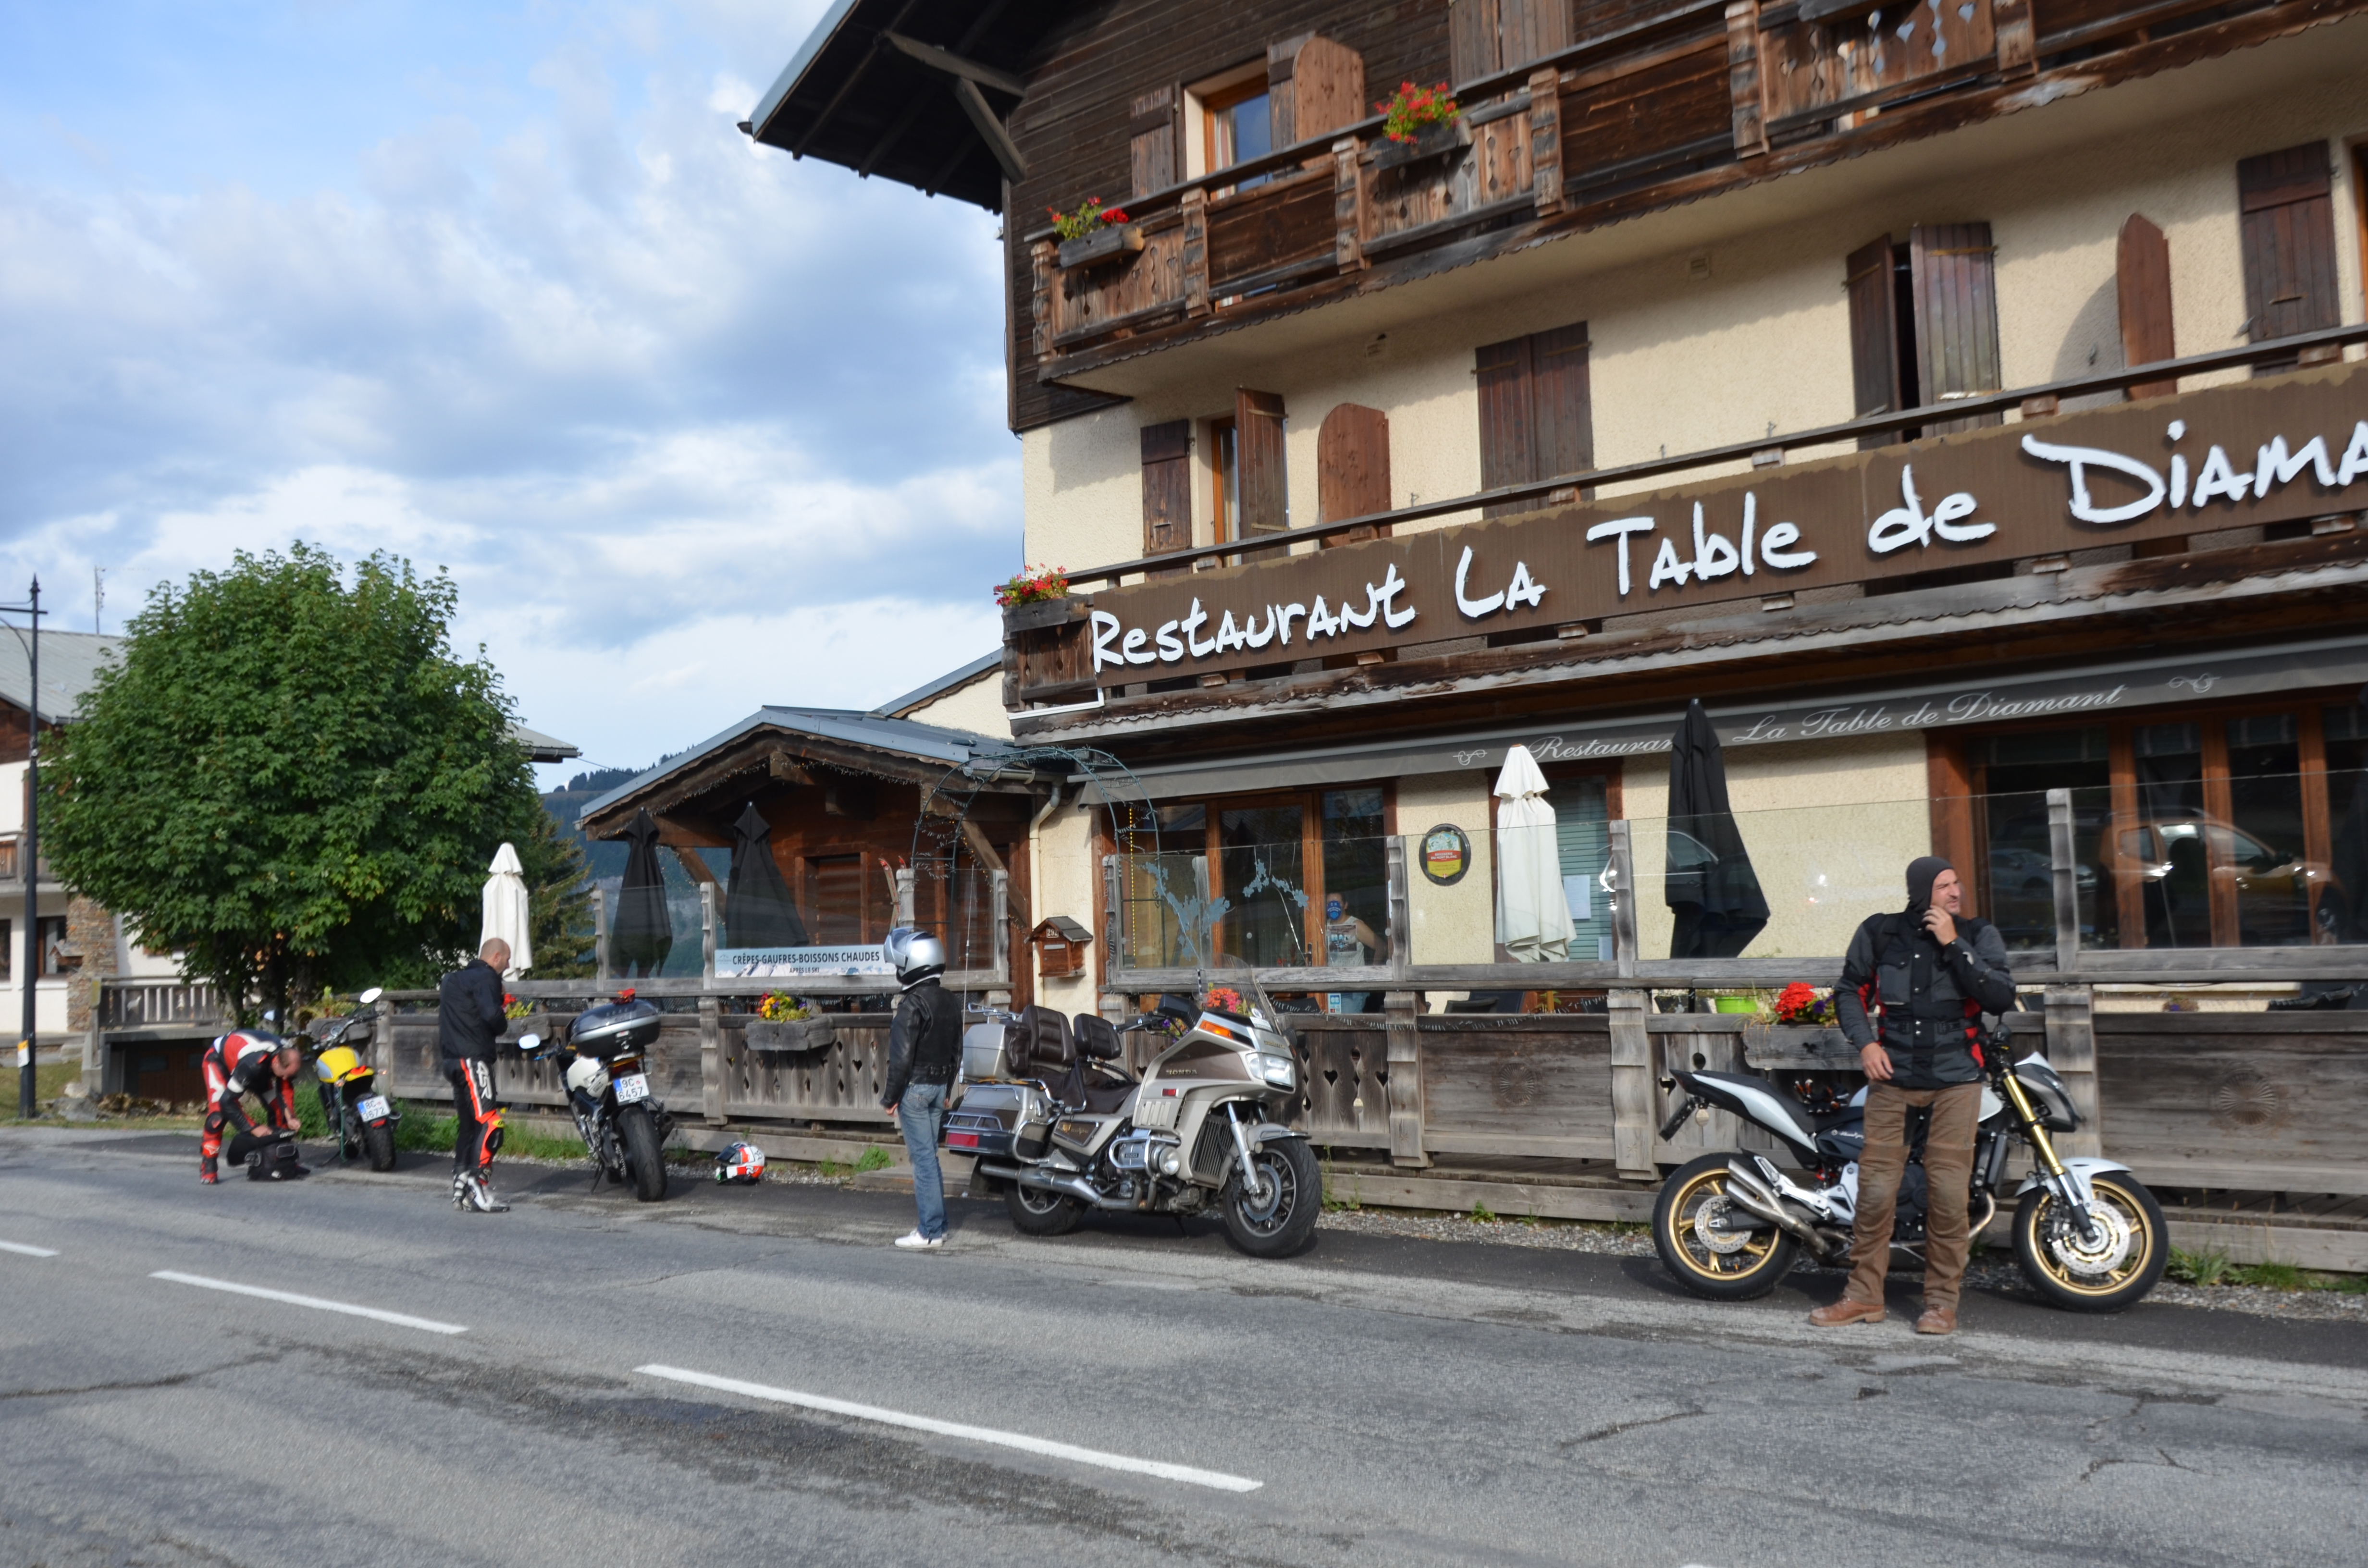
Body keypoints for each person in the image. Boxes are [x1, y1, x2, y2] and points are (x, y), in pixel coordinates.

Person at [1813, 857, 2016, 1335]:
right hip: (1893, 1079)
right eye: (1944, 886)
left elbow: (2000, 996)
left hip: (1956, 1081)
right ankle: (1863, 1297)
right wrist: (1865, 1044)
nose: (1955, 892)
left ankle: (1940, 1304)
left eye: (1956, 883)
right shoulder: (1880, 933)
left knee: (1947, 1194)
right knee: (1875, 1191)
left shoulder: (1977, 933)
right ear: (1921, 892)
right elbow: (1849, 990)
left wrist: (1953, 944)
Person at [879, 926, 959, 1251]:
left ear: (912, 964)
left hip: (915, 1090)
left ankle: (929, 1232)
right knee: (931, 1158)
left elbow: (900, 1059)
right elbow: (956, 1051)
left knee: (923, 1160)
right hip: (940, 1087)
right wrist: (948, 1089)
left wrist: (890, 1098)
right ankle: (938, 1227)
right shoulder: (950, 1000)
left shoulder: (911, 1005)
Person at [439, 937, 512, 1213]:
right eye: (507, 960)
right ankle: (477, 1185)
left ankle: (460, 1186)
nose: (508, 965)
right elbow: (492, 1017)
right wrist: (503, 1013)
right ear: (496, 957)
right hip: (474, 1061)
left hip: (452, 1061)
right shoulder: (487, 977)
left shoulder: (450, 980)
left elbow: (466, 1012)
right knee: (491, 1123)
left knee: (469, 1126)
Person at [198, 1030, 307, 1183]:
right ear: (276, 1062)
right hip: (219, 1060)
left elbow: (285, 1091)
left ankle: (283, 1160)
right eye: (284, 1074)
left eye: (290, 1075)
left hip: (262, 1066)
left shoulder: (286, 1056)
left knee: (278, 1109)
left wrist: (291, 1117)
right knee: (218, 1115)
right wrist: (253, 1128)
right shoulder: (253, 1064)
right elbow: (227, 1102)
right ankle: (209, 1165)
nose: (284, 1078)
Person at [1322, 894, 1384, 1014]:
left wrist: (1371, 974)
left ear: (1345, 905)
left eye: (1337, 903)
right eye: (1329, 903)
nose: (1333, 906)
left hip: (1352, 990)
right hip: (1331, 988)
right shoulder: (1324, 927)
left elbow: (1381, 947)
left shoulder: (1356, 925)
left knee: (1347, 1023)